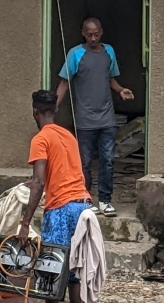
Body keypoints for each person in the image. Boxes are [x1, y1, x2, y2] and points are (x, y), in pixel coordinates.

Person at [18, 89, 90, 303]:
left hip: (60, 209)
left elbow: (38, 183)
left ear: (34, 112)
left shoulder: (40, 139)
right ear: (56, 110)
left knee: (52, 271)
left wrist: (25, 223)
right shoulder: (68, 136)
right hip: (82, 208)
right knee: (75, 272)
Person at [55, 17, 134, 217]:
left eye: (96, 34)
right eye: (89, 34)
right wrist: (54, 105)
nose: (93, 38)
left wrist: (120, 90)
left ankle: (106, 200)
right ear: (83, 33)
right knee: (85, 161)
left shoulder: (109, 52)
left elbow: (109, 78)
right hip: (85, 119)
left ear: (101, 32)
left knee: (108, 160)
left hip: (107, 117)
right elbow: (65, 82)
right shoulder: (76, 54)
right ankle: (86, 198)